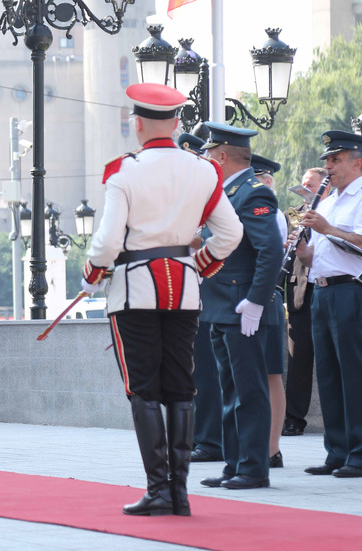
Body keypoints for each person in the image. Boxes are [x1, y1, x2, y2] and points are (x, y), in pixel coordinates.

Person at [83, 83, 243, 516]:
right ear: (176, 124)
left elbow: (107, 244)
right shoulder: (204, 170)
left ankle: (158, 490)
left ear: (137, 125)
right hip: (185, 288)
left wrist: (93, 272)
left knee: (144, 390)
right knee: (180, 387)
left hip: (136, 288)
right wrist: (202, 262)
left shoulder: (124, 171)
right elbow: (231, 234)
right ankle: (180, 493)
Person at [293, 130, 362, 478]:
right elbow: (322, 253)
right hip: (325, 290)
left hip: (353, 291)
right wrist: (303, 251)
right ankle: (337, 451)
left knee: (356, 373)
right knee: (329, 374)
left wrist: (328, 228)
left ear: (356, 162)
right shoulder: (328, 201)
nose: (329, 166)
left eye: (335, 160)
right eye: (327, 161)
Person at [194, 123, 282, 490]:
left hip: (242, 305)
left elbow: (270, 251)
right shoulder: (226, 193)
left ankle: (254, 468)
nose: (206, 162)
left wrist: (256, 302)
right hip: (221, 305)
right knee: (230, 390)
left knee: (249, 391)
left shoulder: (251, 193)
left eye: (209, 156)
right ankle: (235, 463)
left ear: (223, 156)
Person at [178, 132, 224, 464]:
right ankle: (195, 437)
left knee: (207, 371)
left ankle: (210, 440)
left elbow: (226, 235)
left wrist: (196, 242)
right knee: (191, 372)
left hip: (214, 288)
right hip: (185, 292)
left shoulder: (214, 193)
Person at [282, 167, 327, 437]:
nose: (305, 187)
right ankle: (294, 418)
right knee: (297, 358)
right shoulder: (292, 214)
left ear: (325, 186)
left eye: (311, 184)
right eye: (303, 184)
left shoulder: (333, 210)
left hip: (330, 286)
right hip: (301, 290)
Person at [251, 154, 287, 468]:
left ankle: (272, 447)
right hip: (244, 296)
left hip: (265, 297)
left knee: (271, 374)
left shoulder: (268, 209)